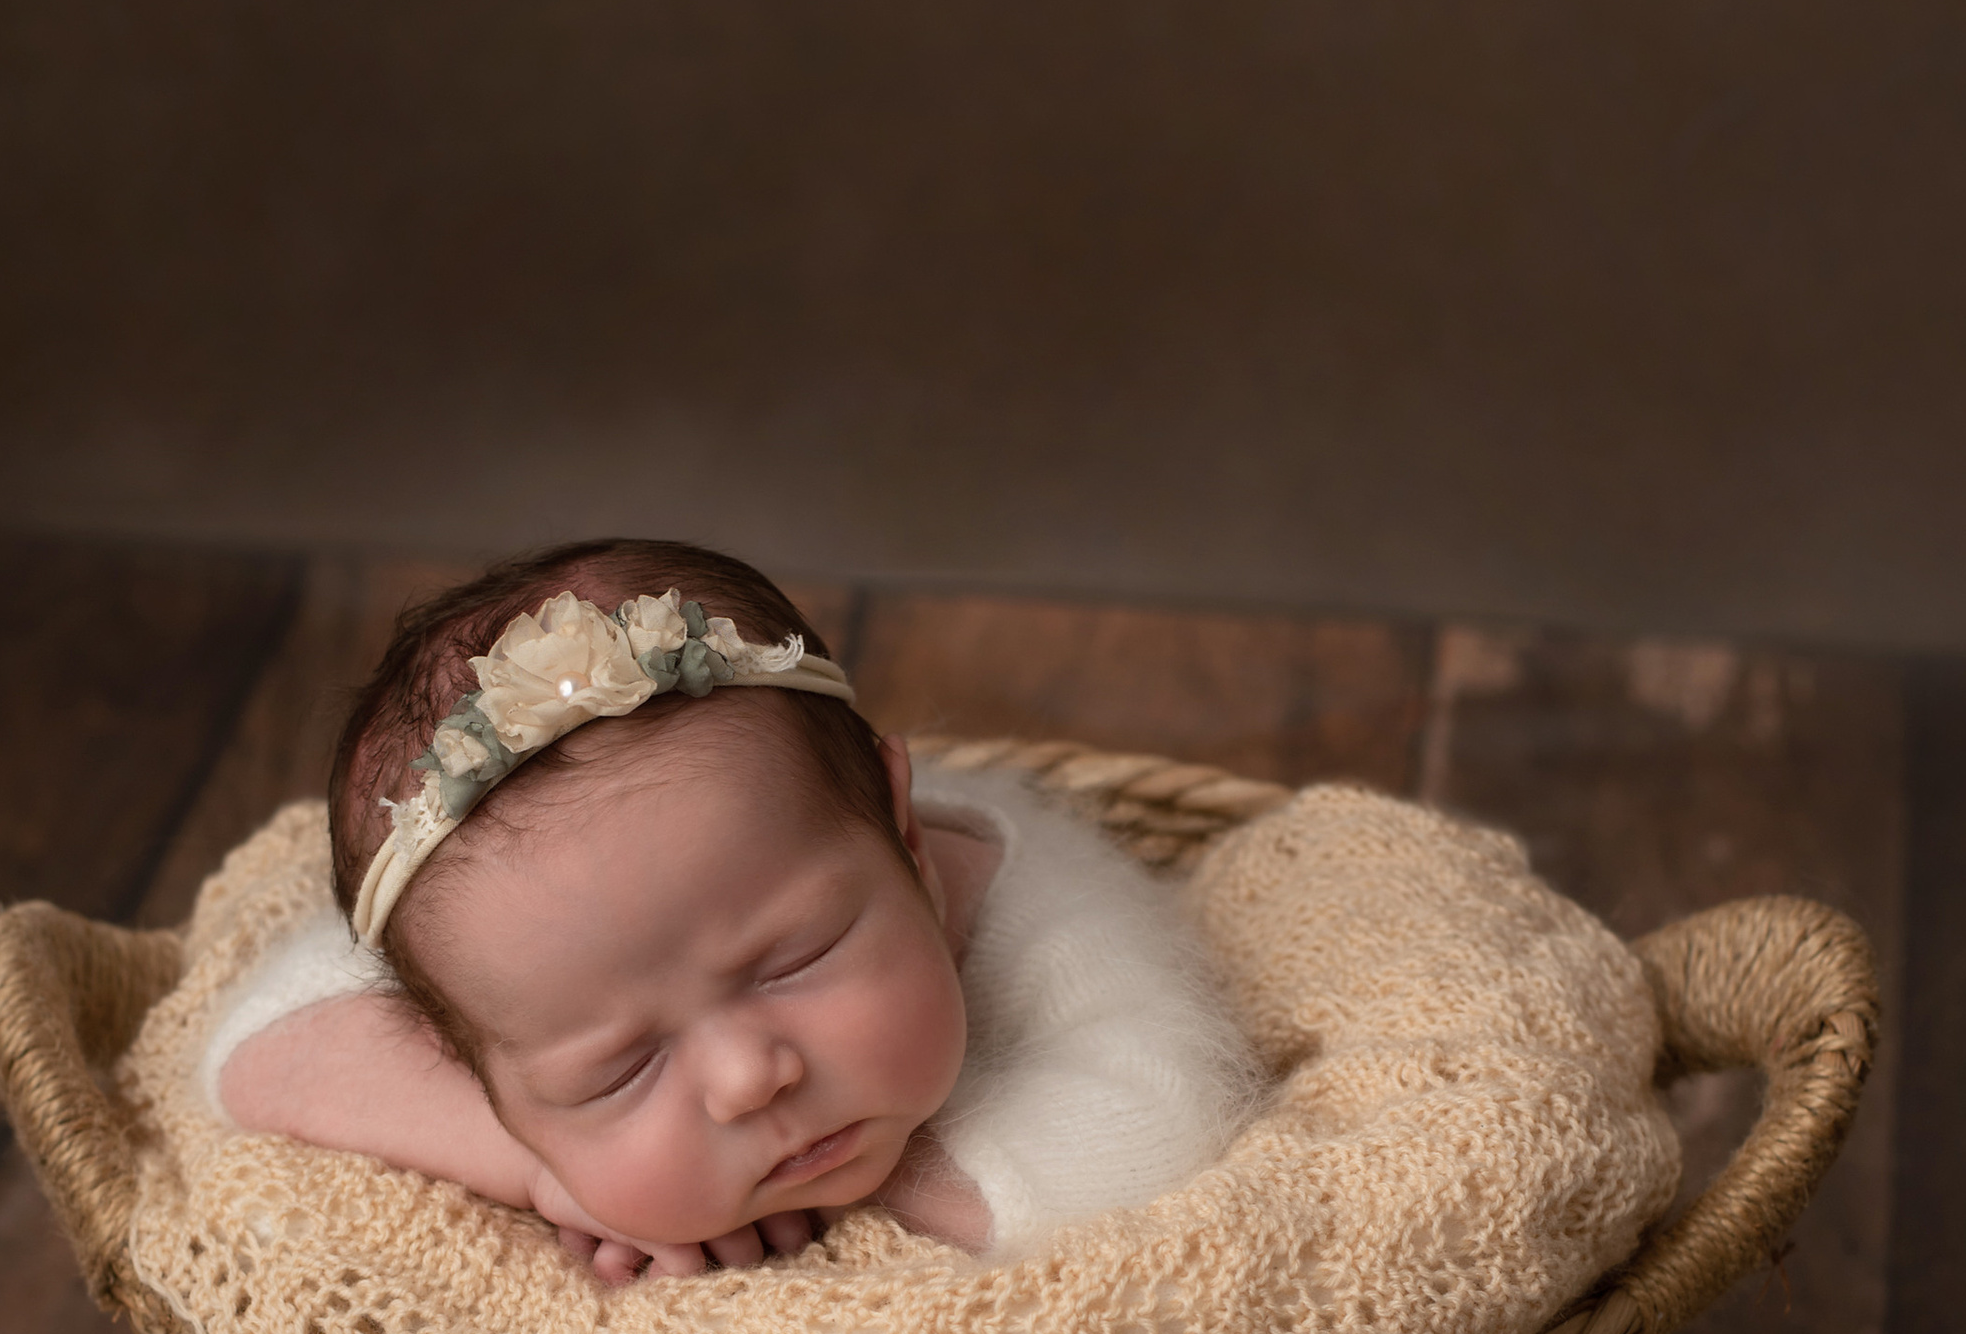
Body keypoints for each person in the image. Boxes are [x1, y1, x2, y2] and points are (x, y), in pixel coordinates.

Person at [209, 537, 1264, 1282]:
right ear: (463, 1055)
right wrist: (543, 1167)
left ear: (905, 834)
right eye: (617, 1070)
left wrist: (843, 1193)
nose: (748, 1078)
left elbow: (1153, 1132)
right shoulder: (506, 963)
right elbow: (256, 1052)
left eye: (791, 961)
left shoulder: (1036, 902)